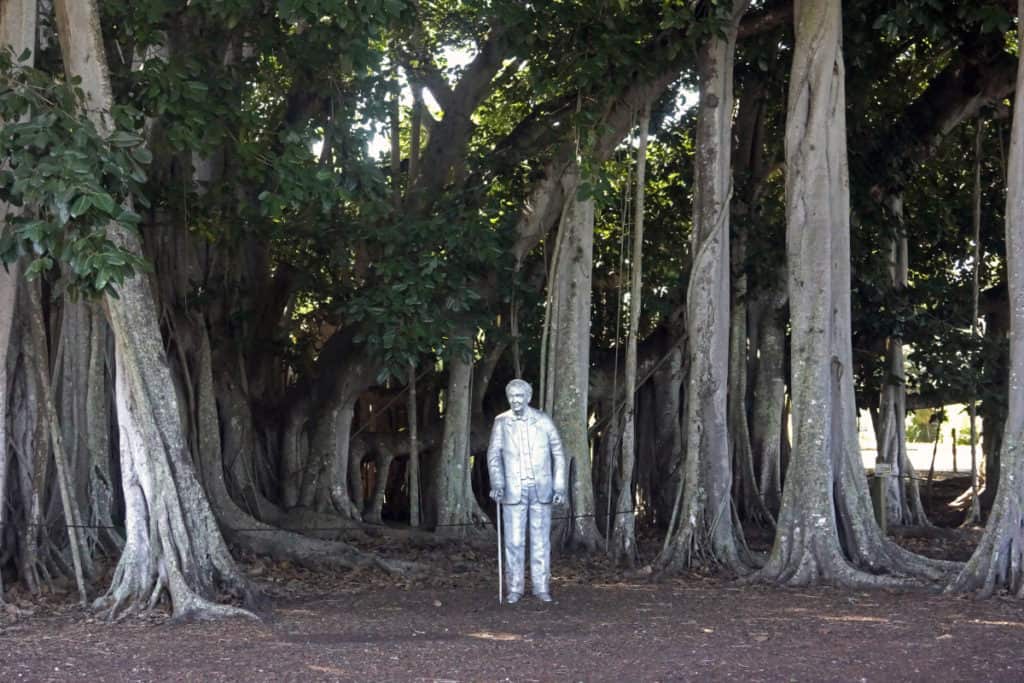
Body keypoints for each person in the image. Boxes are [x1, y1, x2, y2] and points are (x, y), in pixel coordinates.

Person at [486, 378, 567, 604]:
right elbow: (493, 456)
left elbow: (558, 453)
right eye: (512, 397)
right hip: (513, 490)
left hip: (541, 489)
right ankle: (515, 588)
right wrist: (498, 484)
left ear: (528, 398)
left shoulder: (543, 420)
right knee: (514, 541)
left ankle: (541, 588)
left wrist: (559, 487)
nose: (516, 401)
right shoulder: (501, 422)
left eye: (520, 396)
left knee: (541, 541)